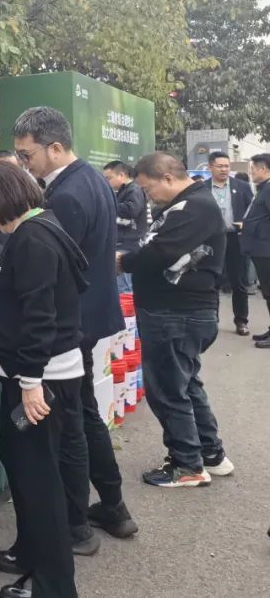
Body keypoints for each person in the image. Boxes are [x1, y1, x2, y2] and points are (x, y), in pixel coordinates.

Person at [0, 160, 85, 598]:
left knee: (39, 482)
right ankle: (30, 552)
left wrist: (30, 384)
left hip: (42, 382)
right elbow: (20, 300)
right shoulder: (34, 230)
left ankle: (53, 586)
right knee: (21, 465)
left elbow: (40, 319)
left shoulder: (33, 239)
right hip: (33, 375)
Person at [12, 107, 135, 553]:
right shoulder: (92, 181)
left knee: (72, 423)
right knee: (84, 413)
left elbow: (50, 269)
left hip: (70, 323)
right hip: (88, 314)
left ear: (56, 148)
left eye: (27, 155)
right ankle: (113, 507)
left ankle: (77, 525)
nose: (24, 164)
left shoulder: (66, 195)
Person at [119, 152, 233, 486]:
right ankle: (210, 454)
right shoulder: (186, 204)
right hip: (177, 312)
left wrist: (124, 262)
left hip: (177, 313)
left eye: (148, 188)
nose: (147, 196)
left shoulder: (196, 206)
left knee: (169, 391)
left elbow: (160, 252)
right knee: (186, 385)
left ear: (168, 177)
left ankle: (187, 465)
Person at [205, 151, 254, 334]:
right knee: (212, 282)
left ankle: (241, 321)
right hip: (212, 240)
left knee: (238, 282)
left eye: (227, 166)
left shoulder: (242, 186)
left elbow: (252, 212)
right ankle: (212, 320)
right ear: (210, 167)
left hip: (235, 238)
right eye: (220, 166)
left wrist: (245, 225)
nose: (224, 169)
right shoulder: (202, 187)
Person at [103, 160, 150, 294]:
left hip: (128, 244)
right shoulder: (123, 191)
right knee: (120, 286)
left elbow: (132, 209)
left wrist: (108, 204)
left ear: (122, 175)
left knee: (124, 288)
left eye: (109, 178)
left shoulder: (134, 189)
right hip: (122, 243)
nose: (107, 182)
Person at [240, 154, 270, 347]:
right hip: (261, 248)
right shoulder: (263, 188)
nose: (251, 173)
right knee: (267, 292)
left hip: (266, 249)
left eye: (253, 169)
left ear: (263, 169)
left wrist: (257, 230)